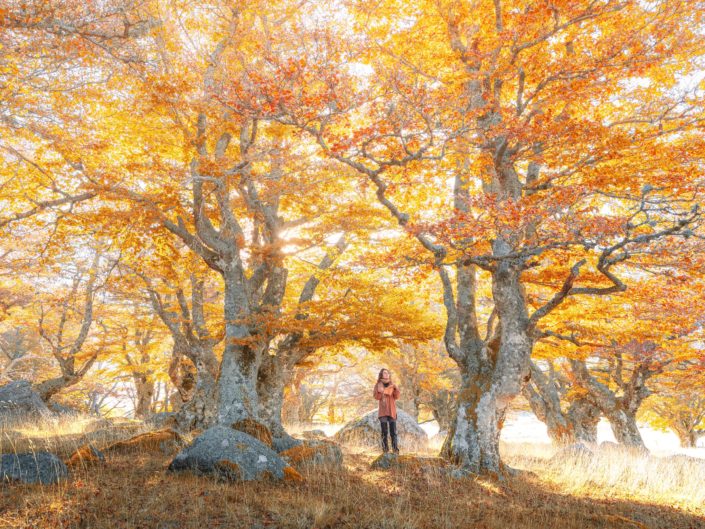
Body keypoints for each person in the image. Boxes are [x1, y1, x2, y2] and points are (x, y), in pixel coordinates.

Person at [373, 368, 400, 454]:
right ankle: (385, 450)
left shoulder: (392, 384)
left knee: (393, 432)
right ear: (381, 374)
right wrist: (382, 392)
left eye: (388, 373)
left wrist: (396, 389)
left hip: (392, 410)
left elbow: (396, 397)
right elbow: (376, 397)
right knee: (384, 432)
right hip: (383, 411)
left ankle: (395, 450)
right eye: (385, 373)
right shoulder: (378, 385)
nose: (387, 374)